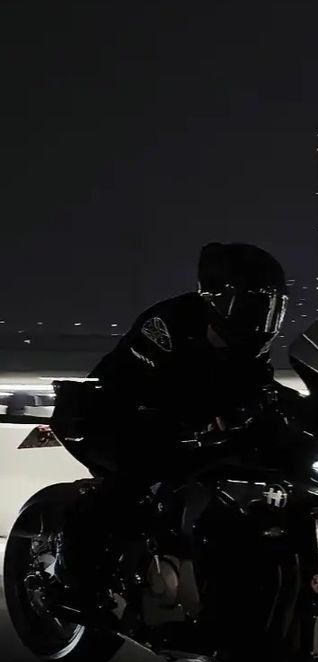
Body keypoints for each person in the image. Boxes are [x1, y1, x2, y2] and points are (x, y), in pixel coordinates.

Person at [51, 242, 289, 603]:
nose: (261, 318)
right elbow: (135, 382)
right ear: (219, 300)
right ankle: (73, 580)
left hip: (191, 433)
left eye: (271, 308)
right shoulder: (169, 323)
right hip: (114, 417)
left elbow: (261, 389)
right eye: (253, 305)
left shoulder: (249, 351)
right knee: (133, 481)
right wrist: (187, 420)